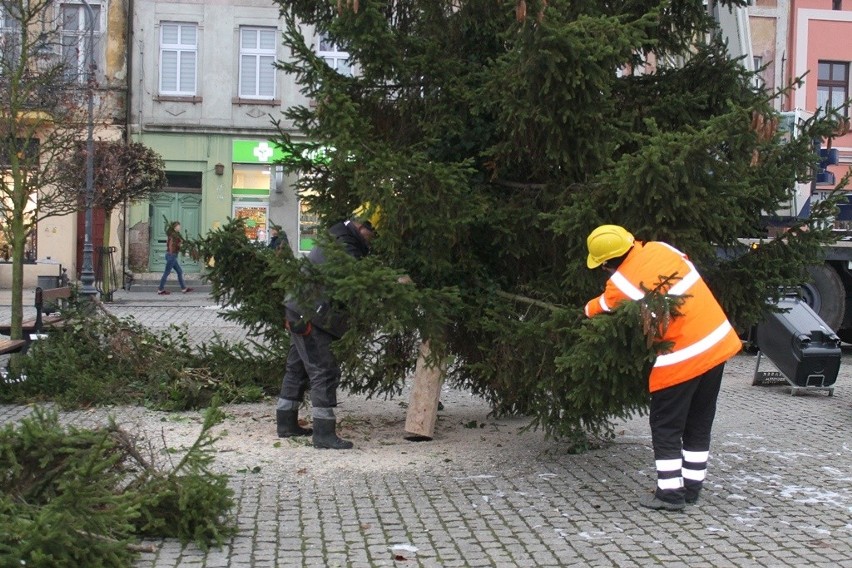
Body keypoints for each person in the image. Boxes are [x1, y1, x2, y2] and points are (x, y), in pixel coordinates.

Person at [583, 224, 741, 511]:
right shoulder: (662, 248)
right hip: (717, 341)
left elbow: (602, 306)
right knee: (699, 421)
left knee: (666, 424)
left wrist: (583, 310)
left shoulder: (620, 283)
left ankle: (669, 494)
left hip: (684, 353)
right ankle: (692, 489)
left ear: (607, 262)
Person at [275, 214, 377, 450]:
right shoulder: (343, 246)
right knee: (324, 370)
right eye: (372, 234)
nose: (373, 241)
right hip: (311, 314)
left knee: (297, 368)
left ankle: (286, 424)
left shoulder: (337, 236)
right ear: (362, 227)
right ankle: (323, 434)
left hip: (299, 308)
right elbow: (359, 278)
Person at [157, 221, 193, 295]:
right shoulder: (174, 235)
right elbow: (172, 245)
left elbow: (176, 245)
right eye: (178, 226)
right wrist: (174, 252)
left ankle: (183, 288)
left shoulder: (175, 235)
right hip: (171, 256)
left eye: (179, 226)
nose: (179, 227)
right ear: (174, 227)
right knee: (166, 272)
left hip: (171, 255)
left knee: (179, 271)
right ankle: (160, 290)